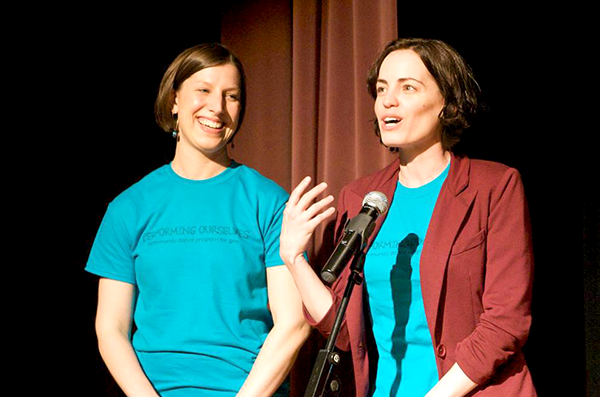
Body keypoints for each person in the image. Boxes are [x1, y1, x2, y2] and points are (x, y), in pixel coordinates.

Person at [280, 38, 536, 396]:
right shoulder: (361, 198)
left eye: (408, 88)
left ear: (446, 101)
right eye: (382, 89)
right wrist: (293, 259)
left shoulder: (494, 186)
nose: (388, 100)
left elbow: (506, 321)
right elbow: (344, 328)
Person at [86, 43, 311, 396]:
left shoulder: (268, 202)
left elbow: (294, 322)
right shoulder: (129, 207)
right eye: (203, 91)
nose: (217, 108)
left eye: (231, 96)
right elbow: (110, 329)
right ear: (174, 100)